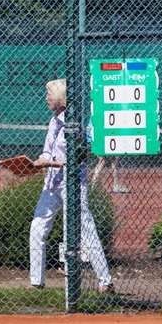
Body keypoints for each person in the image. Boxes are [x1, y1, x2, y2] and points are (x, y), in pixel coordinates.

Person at [29, 78, 114, 294]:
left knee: (86, 231)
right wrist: (40, 161)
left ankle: (105, 282)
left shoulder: (76, 122)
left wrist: (55, 162)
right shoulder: (53, 121)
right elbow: (47, 151)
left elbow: (84, 154)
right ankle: (36, 283)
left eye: (49, 94)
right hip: (51, 183)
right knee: (37, 229)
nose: (46, 98)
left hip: (73, 183)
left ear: (59, 97)